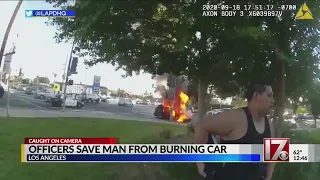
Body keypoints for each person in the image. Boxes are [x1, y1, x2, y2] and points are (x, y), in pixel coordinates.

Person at [194, 81, 275, 180]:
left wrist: (269, 176)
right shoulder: (236, 117)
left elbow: (273, 151)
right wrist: (200, 163)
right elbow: (201, 126)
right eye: (269, 96)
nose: (272, 100)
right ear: (256, 96)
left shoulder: (268, 123)